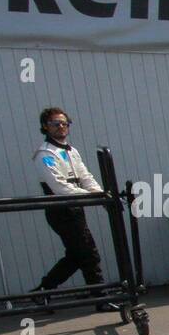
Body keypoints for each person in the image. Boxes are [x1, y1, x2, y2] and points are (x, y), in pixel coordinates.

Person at [31, 107, 113, 311]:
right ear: (45, 127)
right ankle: (100, 299)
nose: (61, 127)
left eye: (64, 123)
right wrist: (92, 197)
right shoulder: (45, 154)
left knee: (77, 255)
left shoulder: (71, 151)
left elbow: (85, 177)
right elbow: (59, 187)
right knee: (89, 253)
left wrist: (101, 195)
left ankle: (43, 291)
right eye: (55, 124)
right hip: (61, 210)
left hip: (75, 208)